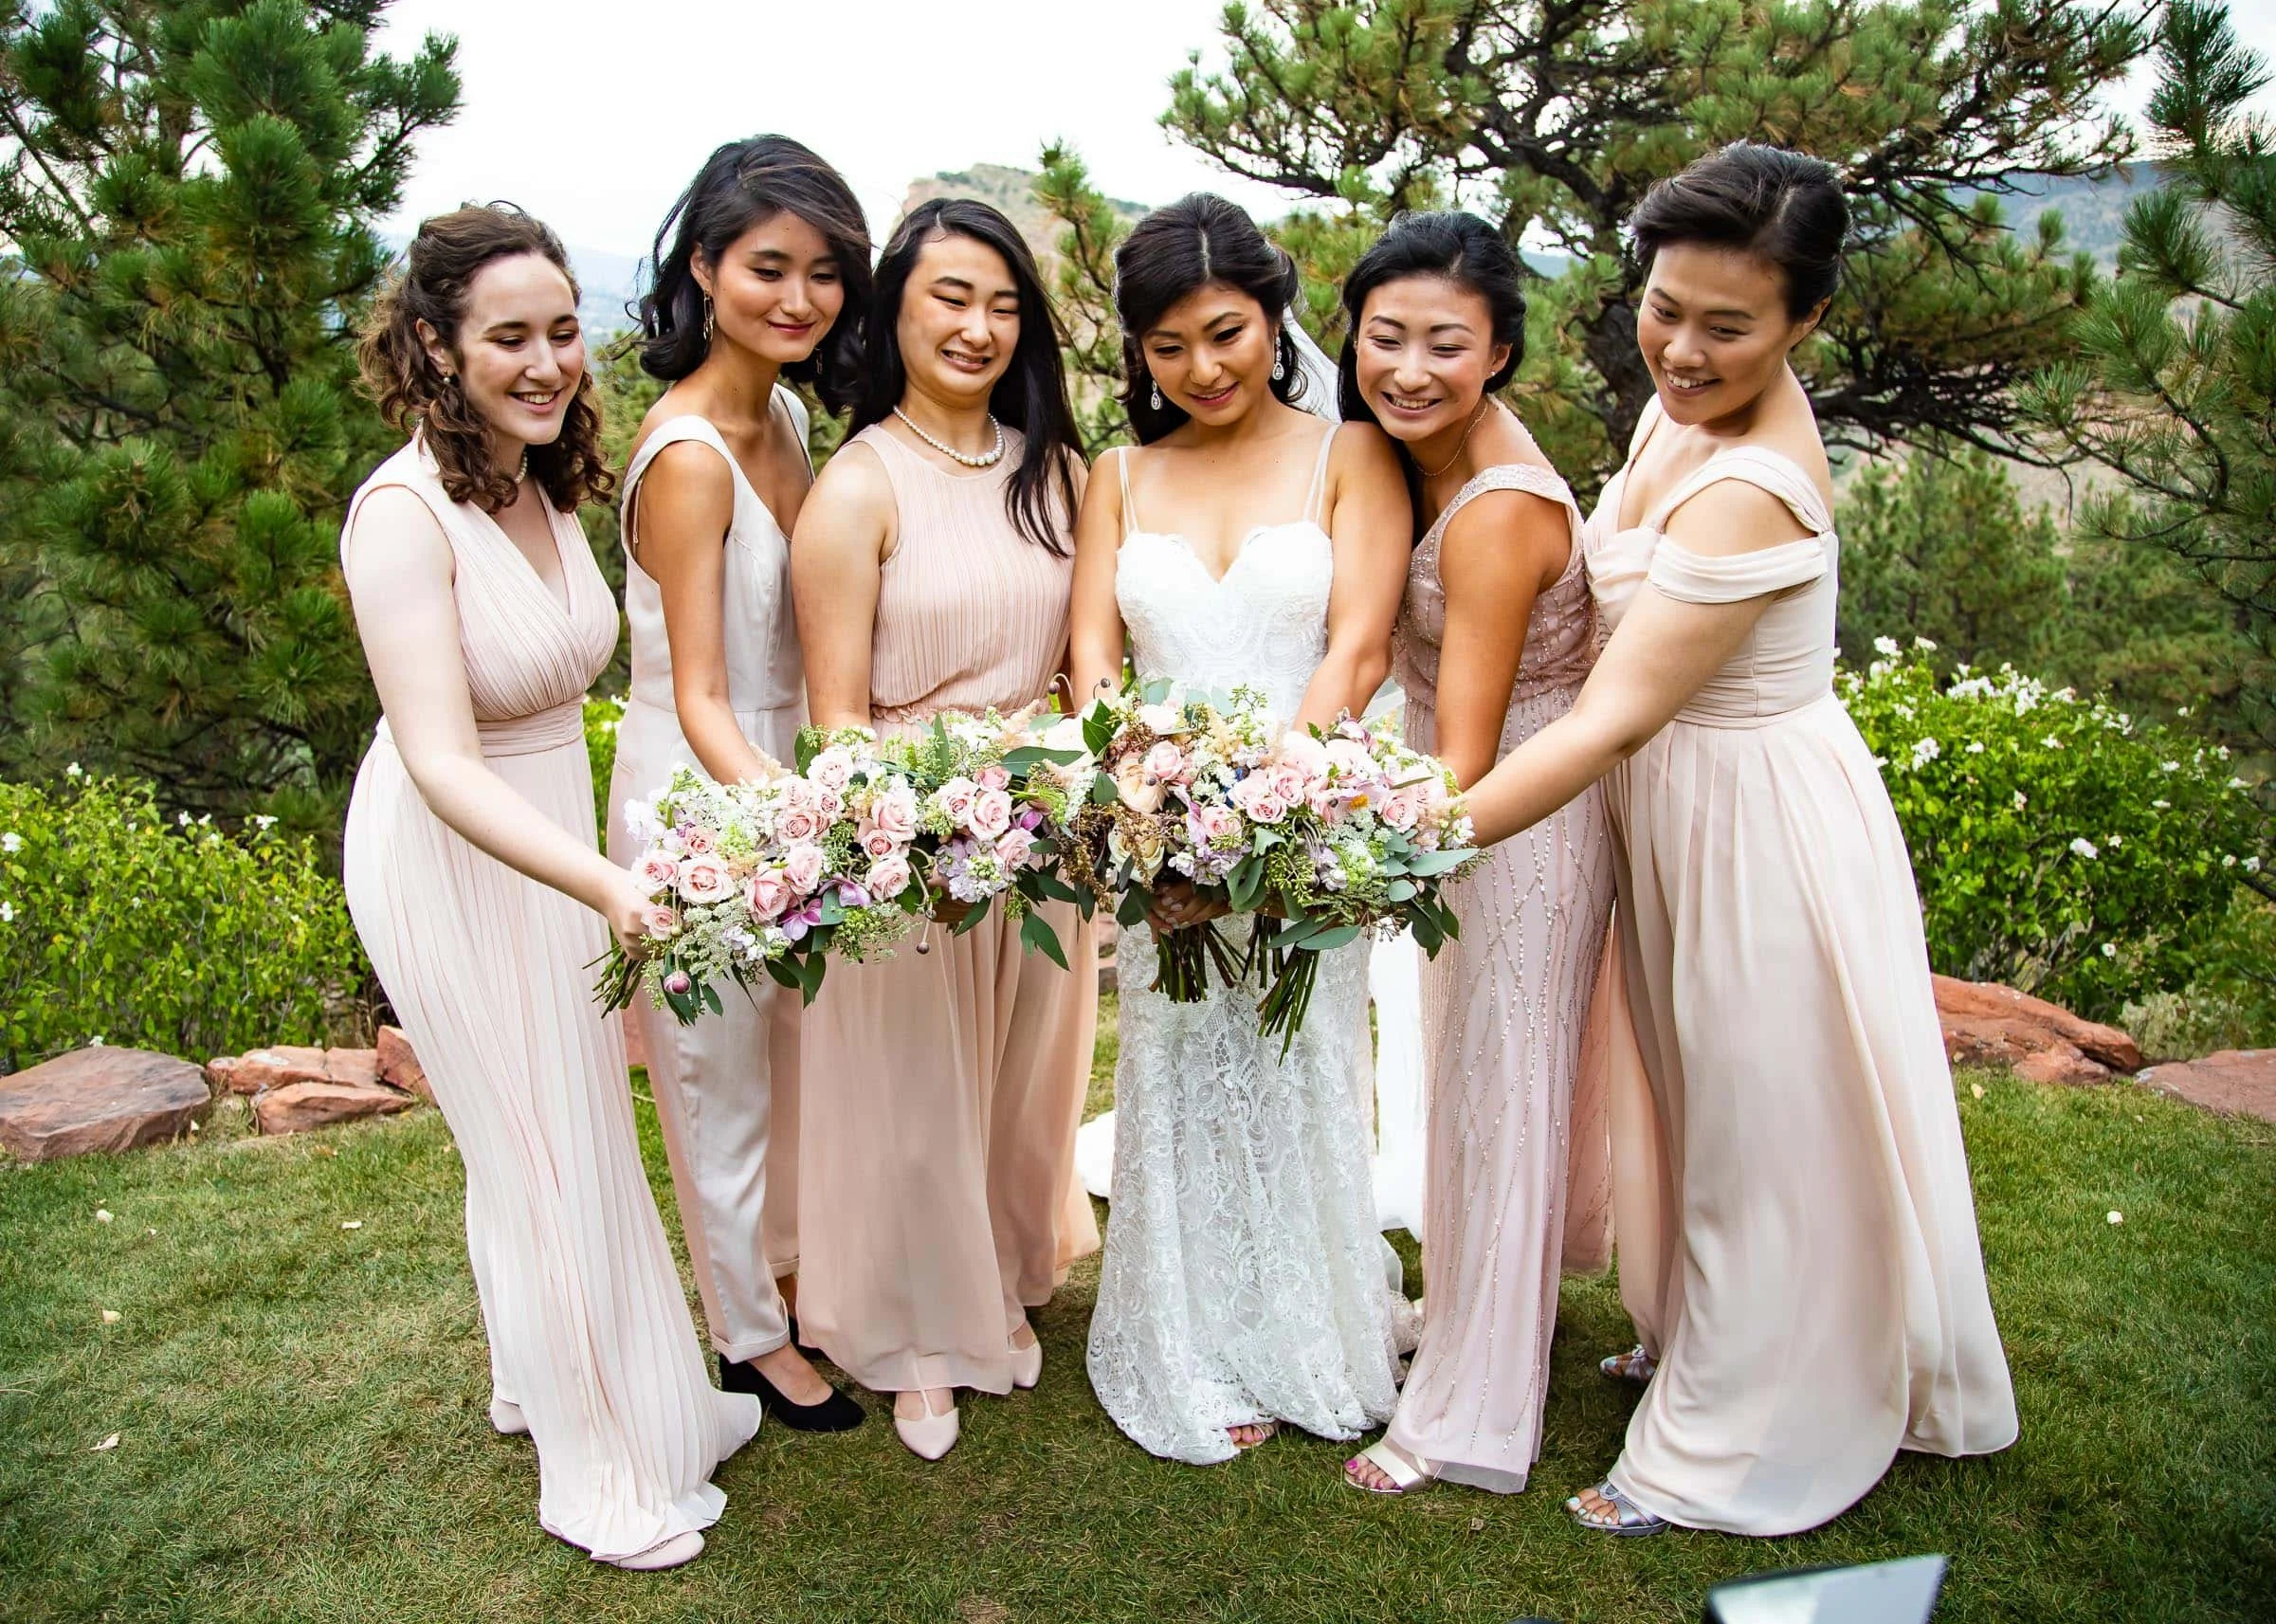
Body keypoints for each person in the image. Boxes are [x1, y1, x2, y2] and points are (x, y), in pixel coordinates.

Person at [1457, 144, 2018, 1536]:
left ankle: (1726, 1442)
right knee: (1694, 1098)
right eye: (1666, 307)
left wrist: (1399, 841)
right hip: (1680, 814)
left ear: (1805, 322)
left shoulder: (1752, 484)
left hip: (1752, 825)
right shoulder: (1680, 414)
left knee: (1765, 1125)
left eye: (1730, 325)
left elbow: (1603, 724)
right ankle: (1702, 1330)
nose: (1684, 349)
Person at [340, 206, 756, 1570]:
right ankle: (595, 1472)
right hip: (451, 847)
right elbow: (442, 763)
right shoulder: (398, 518)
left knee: (572, 1121)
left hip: (554, 825)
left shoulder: (540, 478)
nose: (544, 363)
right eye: (506, 338)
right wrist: (605, 882)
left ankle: (590, 1382)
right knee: (530, 1148)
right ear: (436, 348)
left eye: (562, 332)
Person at [1070, 192, 1418, 1465]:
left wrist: (1266, 802)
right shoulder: (1120, 477)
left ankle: (1307, 1327)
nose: (1203, 367)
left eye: (1224, 332)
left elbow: (1363, 645)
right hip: (1157, 834)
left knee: (1299, 1061)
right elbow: (1092, 664)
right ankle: (1192, 1334)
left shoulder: (1351, 457)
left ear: (1272, 317)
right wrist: (1153, 802)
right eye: (1170, 346)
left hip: (1300, 815)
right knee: (1177, 1071)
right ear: (1141, 355)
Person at [789, 198, 1098, 1461]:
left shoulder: (1059, 472)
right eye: (950, 299)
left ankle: (1005, 1269)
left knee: (1027, 1080)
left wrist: (1072, 783)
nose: (978, 327)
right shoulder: (857, 486)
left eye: (1002, 305)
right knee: (915, 1098)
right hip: (917, 837)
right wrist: (913, 830)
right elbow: (836, 718)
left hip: (1048, 827)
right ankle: (918, 1335)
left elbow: (1090, 674)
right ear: (896, 312)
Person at [1335, 212, 1616, 1497]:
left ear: (1499, 350)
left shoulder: (1498, 511)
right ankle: (1466, 1320)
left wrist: (1333, 841)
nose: (1407, 367)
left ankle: (1469, 1411)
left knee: (1504, 1092)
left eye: (1444, 344)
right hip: (1470, 803)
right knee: (1467, 1081)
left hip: (1518, 814)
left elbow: (1463, 749)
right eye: (1385, 337)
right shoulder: (1417, 461)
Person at [607, 135, 868, 1432]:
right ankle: (748, 1339)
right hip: (701, 793)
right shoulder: (693, 456)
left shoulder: (787, 416)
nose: (798, 298)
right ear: (707, 266)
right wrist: (807, 817)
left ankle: (794, 1280)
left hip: (779, 773)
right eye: (769, 267)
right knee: (718, 1085)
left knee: (797, 1063)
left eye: (824, 273)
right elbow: (703, 690)